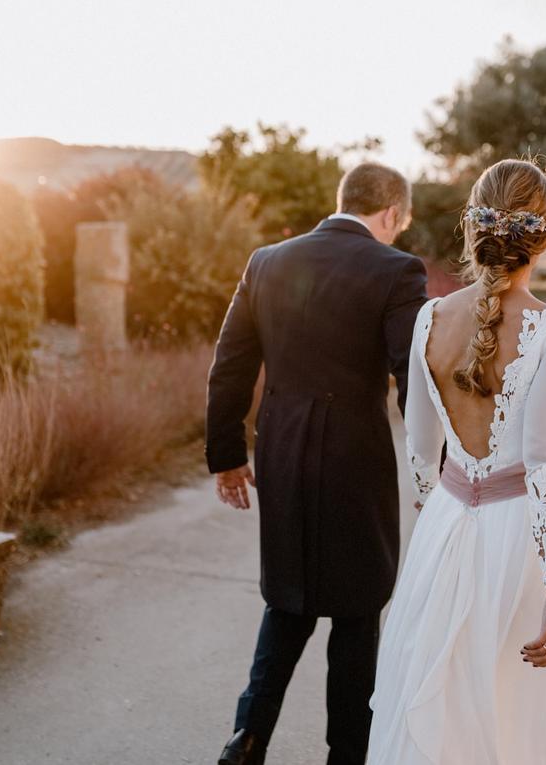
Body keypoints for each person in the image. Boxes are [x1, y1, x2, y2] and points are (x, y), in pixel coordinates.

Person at [368, 159, 546, 764]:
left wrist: (443, 514)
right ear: (544, 236)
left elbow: (418, 450)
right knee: (529, 719)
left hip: (446, 531)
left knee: (444, 707)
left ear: (472, 228)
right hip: (520, 546)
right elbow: (545, 467)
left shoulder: (428, 319)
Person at [206, 162, 428, 765]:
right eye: (400, 223)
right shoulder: (397, 270)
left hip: (280, 453)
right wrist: (430, 468)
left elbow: (230, 365)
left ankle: (247, 739)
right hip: (355, 461)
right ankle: (345, 756)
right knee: (357, 612)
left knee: (289, 599)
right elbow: (413, 374)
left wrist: (227, 456)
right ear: (389, 214)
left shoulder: (267, 261)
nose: (398, 233)